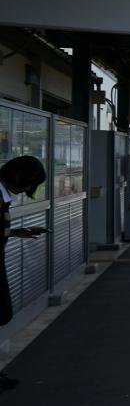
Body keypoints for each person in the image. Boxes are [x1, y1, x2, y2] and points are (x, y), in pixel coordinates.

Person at [0, 155, 47, 391]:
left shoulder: (3, 197)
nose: (28, 190)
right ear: (18, 176)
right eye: (30, 183)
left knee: (2, 313)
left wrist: (17, 232)